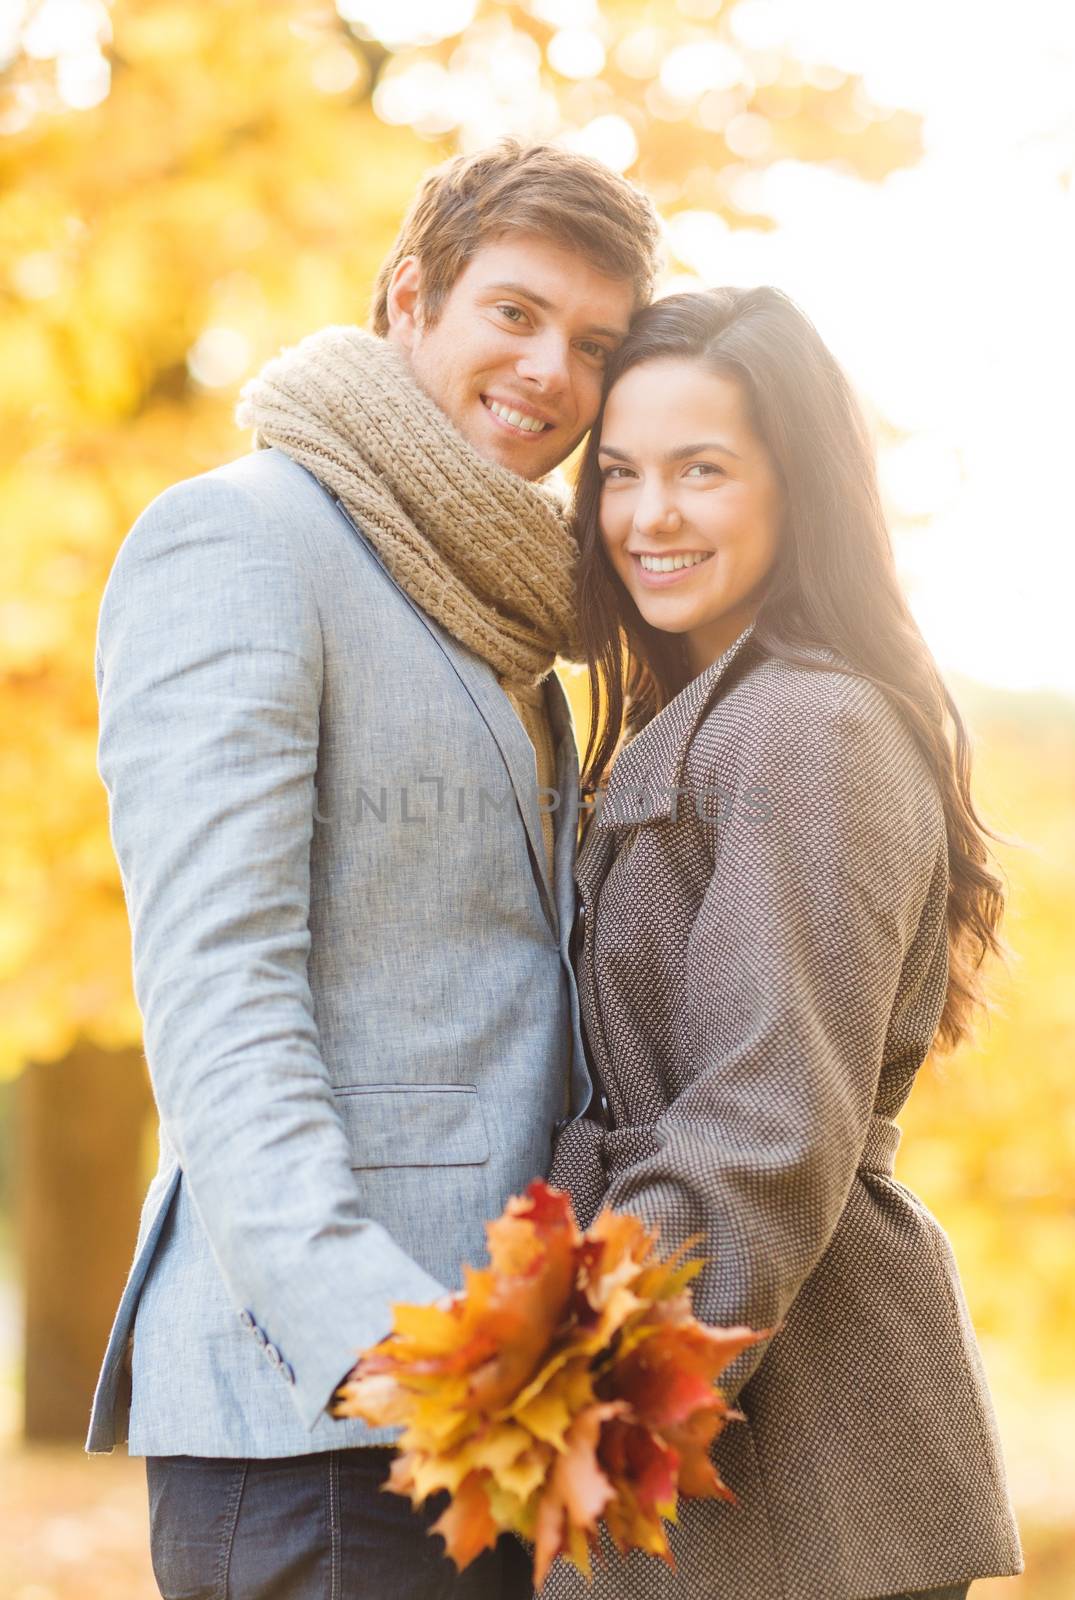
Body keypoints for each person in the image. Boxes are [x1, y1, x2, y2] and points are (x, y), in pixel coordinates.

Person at [87, 142, 660, 1599]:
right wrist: (372, 1339)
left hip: (501, 1404)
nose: (551, 373)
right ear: (410, 298)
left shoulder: (500, 611)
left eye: (593, 346)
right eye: (516, 316)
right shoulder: (246, 540)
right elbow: (219, 991)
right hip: (327, 1416)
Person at [545, 287, 1023, 1600]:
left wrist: (581, 1393)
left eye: (704, 470)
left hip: (795, 1440)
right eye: (623, 473)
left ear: (796, 482)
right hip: (733, 1416)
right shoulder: (705, 714)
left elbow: (762, 1128)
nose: (650, 517)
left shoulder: (804, 726)